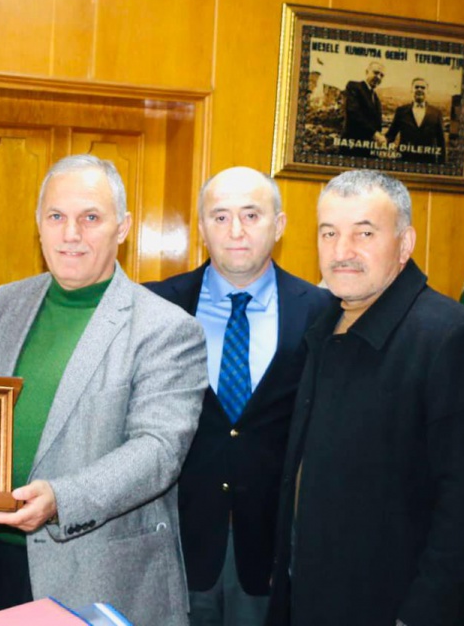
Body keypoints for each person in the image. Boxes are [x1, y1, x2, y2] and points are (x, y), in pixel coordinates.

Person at [0, 155, 208, 626]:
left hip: (99, 574)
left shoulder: (167, 328)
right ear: (39, 225)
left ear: (122, 227)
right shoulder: (7, 302)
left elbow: (158, 451)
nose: (71, 234)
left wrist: (62, 499)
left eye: (90, 217)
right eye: (56, 216)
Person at [267, 170, 464, 626]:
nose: (342, 251)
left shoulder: (455, 340)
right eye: (329, 233)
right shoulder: (324, 328)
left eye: (364, 233)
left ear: (405, 244)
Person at [146, 167, 333, 626]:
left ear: (279, 225)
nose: (236, 231)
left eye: (251, 215)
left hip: (276, 548)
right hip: (175, 543)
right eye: (221, 216)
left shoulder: (323, 311)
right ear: (202, 227)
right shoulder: (156, 306)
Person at [385, 78, 446, 163]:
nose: (419, 89)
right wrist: (387, 149)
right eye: (416, 87)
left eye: (423, 87)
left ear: (428, 91)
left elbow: (441, 141)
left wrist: (441, 164)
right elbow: (391, 135)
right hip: (404, 160)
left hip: (428, 161)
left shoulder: (436, 113)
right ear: (411, 90)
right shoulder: (401, 111)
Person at [339, 60, 386, 157]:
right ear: (367, 72)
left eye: (382, 75)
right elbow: (353, 113)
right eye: (376, 73)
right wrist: (374, 134)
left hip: (368, 149)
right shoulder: (354, 86)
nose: (378, 77)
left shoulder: (376, 98)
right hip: (352, 146)